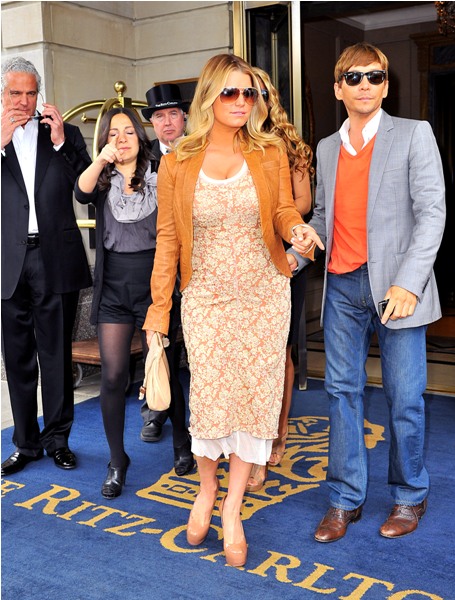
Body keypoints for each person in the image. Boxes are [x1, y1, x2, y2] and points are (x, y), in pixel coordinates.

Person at [143, 53, 322, 567]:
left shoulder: (268, 150)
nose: (242, 101)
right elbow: (168, 240)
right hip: (207, 297)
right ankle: (206, 489)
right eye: (231, 92)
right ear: (209, 97)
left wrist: (296, 231)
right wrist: (158, 311)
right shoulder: (177, 161)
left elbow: (284, 209)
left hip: (265, 293)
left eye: (249, 93)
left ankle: (233, 507)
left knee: (255, 400)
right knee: (210, 399)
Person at [292, 42, 446, 542]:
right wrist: (299, 249)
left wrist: (409, 282)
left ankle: (410, 494)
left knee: (404, 397)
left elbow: (432, 214)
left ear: (386, 85)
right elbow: (324, 217)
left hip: (398, 288)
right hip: (342, 287)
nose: (365, 85)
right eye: (354, 77)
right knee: (342, 395)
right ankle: (344, 499)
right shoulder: (327, 148)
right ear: (338, 88)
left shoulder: (414, 134)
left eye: (375, 76)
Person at [1, 57, 92, 477]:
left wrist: (59, 144)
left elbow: (89, 188)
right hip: (9, 261)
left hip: (54, 258)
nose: (23, 101)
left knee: (56, 354)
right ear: (2, 95)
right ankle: (26, 444)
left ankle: (58, 440)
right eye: (14, 93)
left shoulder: (64, 133)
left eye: (30, 93)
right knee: (18, 357)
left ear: (39, 94)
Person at [75, 107, 160, 498]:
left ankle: (181, 443)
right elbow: (80, 193)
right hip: (113, 286)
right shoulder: (103, 177)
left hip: (153, 283)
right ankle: (116, 460)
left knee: (163, 367)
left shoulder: (160, 172)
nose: (121, 138)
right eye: (113, 133)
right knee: (113, 376)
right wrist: (100, 160)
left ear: (140, 136)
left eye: (128, 131)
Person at [246, 67, 314, 492]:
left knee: (277, 353)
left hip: (281, 258)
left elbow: (303, 203)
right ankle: (244, 438)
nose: (249, 100)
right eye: (240, 92)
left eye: (258, 93)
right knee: (244, 356)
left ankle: (275, 432)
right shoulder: (226, 144)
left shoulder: (291, 146)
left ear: (270, 100)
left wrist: (271, 215)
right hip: (238, 265)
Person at [138, 85, 195, 480]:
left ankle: (197, 434)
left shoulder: (200, 153)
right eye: (159, 116)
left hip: (193, 269)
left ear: (185, 117)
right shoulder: (142, 158)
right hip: (153, 267)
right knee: (162, 352)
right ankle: (158, 413)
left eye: (173, 113)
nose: (167, 122)